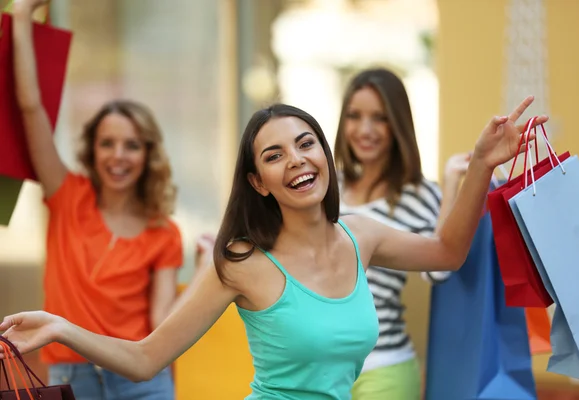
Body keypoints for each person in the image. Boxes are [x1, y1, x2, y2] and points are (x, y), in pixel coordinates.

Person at [1, 46, 542, 400]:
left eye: (306, 144)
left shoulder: (362, 234)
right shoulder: (241, 262)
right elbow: (145, 360)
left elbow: (447, 251)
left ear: (327, 157)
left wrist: (482, 164)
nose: (298, 160)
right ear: (258, 182)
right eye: (275, 155)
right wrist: (61, 327)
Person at [10, 0, 183, 398]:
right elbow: (30, 108)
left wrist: (206, 273)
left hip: (142, 379)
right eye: (107, 143)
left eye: (131, 145)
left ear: (148, 154)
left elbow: (161, 326)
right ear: (92, 149)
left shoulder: (164, 232)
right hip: (72, 377)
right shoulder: (66, 194)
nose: (118, 155)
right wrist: (21, 16)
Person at [334, 68, 471, 399]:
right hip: (317, 369)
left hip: (384, 370)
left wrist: (451, 183)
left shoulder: (419, 195)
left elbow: (438, 269)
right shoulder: (326, 187)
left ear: (397, 124)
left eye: (379, 118)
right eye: (354, 116)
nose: (365, 130)